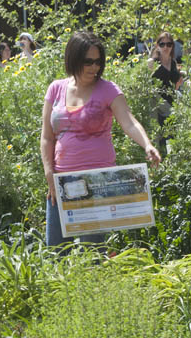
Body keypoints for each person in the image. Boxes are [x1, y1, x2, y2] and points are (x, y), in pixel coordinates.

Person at [40, 31, 162, 249]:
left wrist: (147, 144)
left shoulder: (108, 89)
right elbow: (47, 137)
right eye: (88, 62)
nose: (94, 67)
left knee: (93, 253)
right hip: (62, 181)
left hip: (97, 182)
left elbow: (129, 122)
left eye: (98, 62)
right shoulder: (56, 89)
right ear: (74, 58)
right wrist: (49, 173)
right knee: (55, 253)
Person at [148, 32, 183, 150]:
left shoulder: (173, 62)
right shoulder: (153, 62)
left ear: (173, 46)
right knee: (157, 136)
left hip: (170, 101)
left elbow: (175, 85)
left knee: (173, 134)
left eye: (169, 44)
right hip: (156, 102)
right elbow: (147, 83)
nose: (166, 47)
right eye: (162, 44)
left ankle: (172, 161)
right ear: (157, 46)